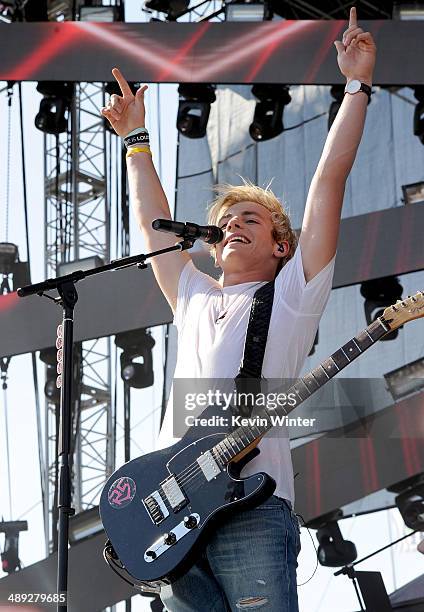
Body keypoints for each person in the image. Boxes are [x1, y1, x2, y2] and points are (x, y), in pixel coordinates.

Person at [101, 7, 376, 611]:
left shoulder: (293, 292)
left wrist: (355, 86)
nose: (231, 226)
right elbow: (154, 232)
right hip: (173, 511)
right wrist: (135, 142)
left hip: (251, 506)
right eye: (225, 222)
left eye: (249, 220)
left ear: (281, 246)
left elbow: (328, 181)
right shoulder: (195, 293)